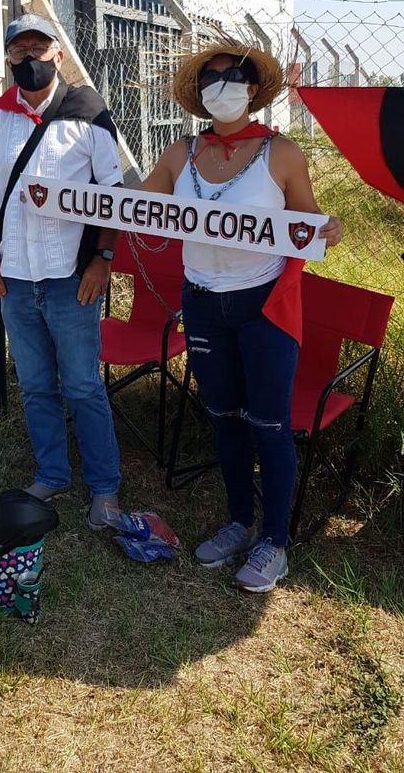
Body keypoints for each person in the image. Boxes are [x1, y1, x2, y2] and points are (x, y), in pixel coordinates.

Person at [142, 35, 343, 592]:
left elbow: (309, 222)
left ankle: (273, 542)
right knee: (224, 416)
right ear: (198, 92)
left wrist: (330, 227)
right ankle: (237, 521)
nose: (221, 86)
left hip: (264, 307)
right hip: (202, 304)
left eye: (233, 76)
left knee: (271, 425)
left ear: (254, 89)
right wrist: (81, 193)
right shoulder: (180, 153)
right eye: (210, 78)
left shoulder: (282, 153)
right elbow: (137, 203)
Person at [0, 13, 122, 529]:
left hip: (72, 278)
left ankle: (104, 488)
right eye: (19, 50)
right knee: (34, 385)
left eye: (38, 47)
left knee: (82, 386)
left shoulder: (90, 113)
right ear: (8, 58)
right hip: (15, 277)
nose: (29, 58)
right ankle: (52, 473)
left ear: (58, 54)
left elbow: (112, 198)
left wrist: (103, 261)